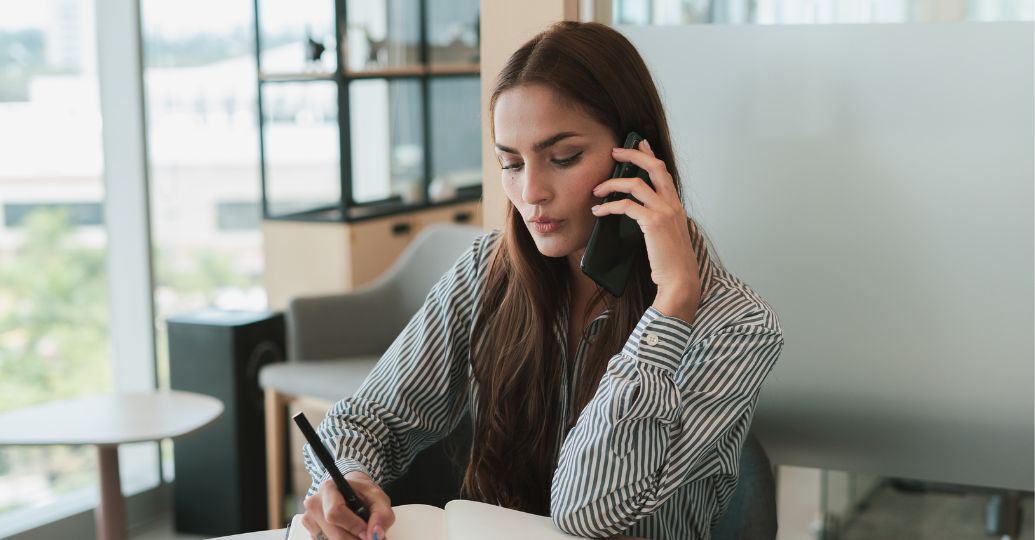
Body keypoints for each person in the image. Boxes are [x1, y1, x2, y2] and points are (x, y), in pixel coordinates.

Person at [300, 21, 784, 540]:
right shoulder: (487, 273)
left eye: (563, 158)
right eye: (510, 163)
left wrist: (671, 307)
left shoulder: (737, 327)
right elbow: (367, 419)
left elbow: (587, 510)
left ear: (639, 157)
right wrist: (348, 475)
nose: (530, 192)